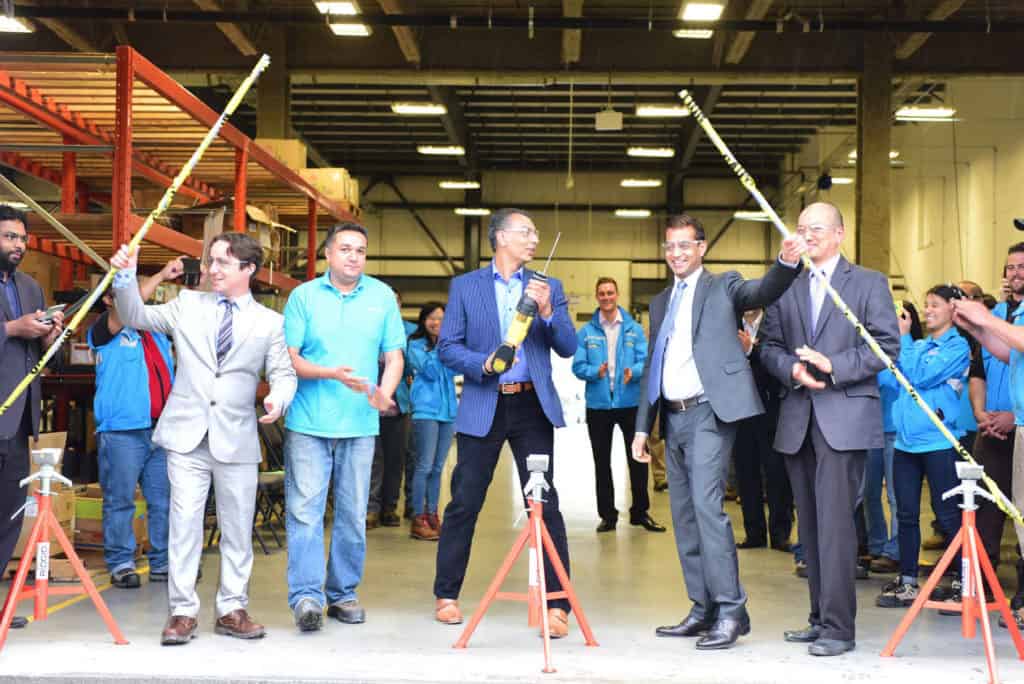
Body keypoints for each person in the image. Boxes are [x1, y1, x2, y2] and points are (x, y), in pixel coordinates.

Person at [110, 233, 297, 646]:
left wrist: (280, 401)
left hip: (237, 438)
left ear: (248, 270)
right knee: (183, 525)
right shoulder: (187, 305)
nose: (211, 269)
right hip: (186, 436)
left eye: (222, 263)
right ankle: (181, 611)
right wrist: (125, 274)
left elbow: (282, 373)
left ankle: (232, 608)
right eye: (210, 260)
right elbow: (134, 315)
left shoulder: (271, 324)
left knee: (236, 528)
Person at [631, 213, 805, 650]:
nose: (676, 254)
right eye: (670, 247)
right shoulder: (660, 302)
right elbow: (652, 367)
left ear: (702, 247)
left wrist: (785, 263)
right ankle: (703, 608)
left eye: (684, 246)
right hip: (672, 418)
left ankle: (730, 610)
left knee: (707, 509)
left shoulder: (724, 285)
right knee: (685, 517)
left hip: (710, 411)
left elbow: (763, 291)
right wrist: (641, 430)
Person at [758, 201, 900, 657]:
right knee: (811, 528)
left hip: (844, 418)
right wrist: (792, 371)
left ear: (839, 234)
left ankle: (840, 628)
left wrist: (832, 365)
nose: (807, 235)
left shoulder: (868, 283)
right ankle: (819, 619)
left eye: (816, 228)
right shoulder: (787, 287)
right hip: (799, 417)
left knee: (836, 526)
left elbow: (886, 347)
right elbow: (769, 348)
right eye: (801, 228)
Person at [432, 208, 577, 638]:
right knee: (464, 502)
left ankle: (558, 605)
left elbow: (567, 346)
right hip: (483, 403)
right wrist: (484, 364)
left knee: (544, 503)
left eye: (535, 233)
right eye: (525, 232)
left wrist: (549, 313)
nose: (533, 239)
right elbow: (447, 348)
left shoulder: (548, 286)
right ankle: (446, 595)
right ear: (500, 238)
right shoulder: (466, 287)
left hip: (532, 409)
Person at [283, 222, 405, 632]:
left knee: (353, 514)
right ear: (328, 255)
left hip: (360, 424)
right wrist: (330, 374)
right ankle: (306, 597)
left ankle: (342, 593)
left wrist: (383, 393)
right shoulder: (304, 297)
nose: (354, 256)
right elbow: (291, 359)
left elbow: (394, 357)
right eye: (346, 249)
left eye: (361, 250)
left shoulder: (382, 297)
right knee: (305, 512)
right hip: (309, 423)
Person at [87, 257, 182, 589]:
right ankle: (121, 563)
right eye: (124, 294)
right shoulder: (104, 328)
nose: (136, 302)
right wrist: (160, 274)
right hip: (123, 431)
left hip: (160, 429)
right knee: (120, 499)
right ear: (109, 299)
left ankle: (162, 562)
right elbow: (128, 308)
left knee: (163, 500)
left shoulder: (154, 330)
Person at [875, 286, 970, 609]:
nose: (928, 310)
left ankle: (963, 580)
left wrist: (903, 339)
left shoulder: (957, 347)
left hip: (939, 442)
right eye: (926, 305)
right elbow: (896, 378)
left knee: (947, 516)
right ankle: (908, 581)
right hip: (906, 444)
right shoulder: (918, 345)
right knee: (905, 514)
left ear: (952, 311)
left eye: (935, 305)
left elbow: (920, 375)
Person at [0, 204, 64, 631]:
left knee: (8, 514)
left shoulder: (31, 287)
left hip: (20, 419)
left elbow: (37, 352)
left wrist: (51, 334)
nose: (18, 245)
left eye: (22, 238)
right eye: (9, 237)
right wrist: (9, 329)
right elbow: (13, 335)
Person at [962, 244, 1024, 627]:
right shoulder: (1007, 314)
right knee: (1017, 515)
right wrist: (975, 328)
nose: (1016, 273)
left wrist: (984, 316)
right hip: (1020, 425)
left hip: (1018, 421)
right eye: (1012, 266)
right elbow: (1007, 354)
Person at [572, 276, 662, 534]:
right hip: (599, 406)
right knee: (602, 462)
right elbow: (577, 366)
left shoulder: (633, 329)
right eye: (602, 293)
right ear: (597, 297)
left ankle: (640, 512)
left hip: (629, 404)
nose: (606, 297)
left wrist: (632, 371)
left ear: (617, 295)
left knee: (638, 458)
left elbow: (646, 362)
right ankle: (608, 516)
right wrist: (594, 372)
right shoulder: (586, 333)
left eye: (610, 292)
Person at [864, 301, 921, 575]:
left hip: (897, 431)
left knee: (897, 495)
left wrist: (904, 336)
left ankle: (895, 550)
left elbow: (912, 379)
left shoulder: (912, 349)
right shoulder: (872, 347)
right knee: (869, 492)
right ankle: (876, 544)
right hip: (870, 428)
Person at [734, 307, 793, 551]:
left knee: (777, 473)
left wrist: (752, 350)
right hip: (739, 410)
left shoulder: (775, 324)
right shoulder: (730, 326)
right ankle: (754, 532)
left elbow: (780, 362)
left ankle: (780, 533)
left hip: (772, 408)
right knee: (746, 474)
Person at [406, 302, 458, 541]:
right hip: (426, 412)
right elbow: (430, 372)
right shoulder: (415, 345)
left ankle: (432, 514)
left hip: (448, 413)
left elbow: (453, 371)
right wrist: (444, 349)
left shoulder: (449, 345)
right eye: (431, 318)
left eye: (441, 318)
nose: (436, 322)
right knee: (424, 466)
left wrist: (447, 348)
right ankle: (418, 518)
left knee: (438, 468)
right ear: (423, 320)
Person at [367, 286, 417, 529]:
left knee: (396, 459)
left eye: (396, 302)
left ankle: (389, 507)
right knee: (372, 459)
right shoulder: (367, 328)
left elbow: (412, 366)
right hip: (368, 405)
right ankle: (371, 509)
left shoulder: (411, 332)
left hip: (399, 405)